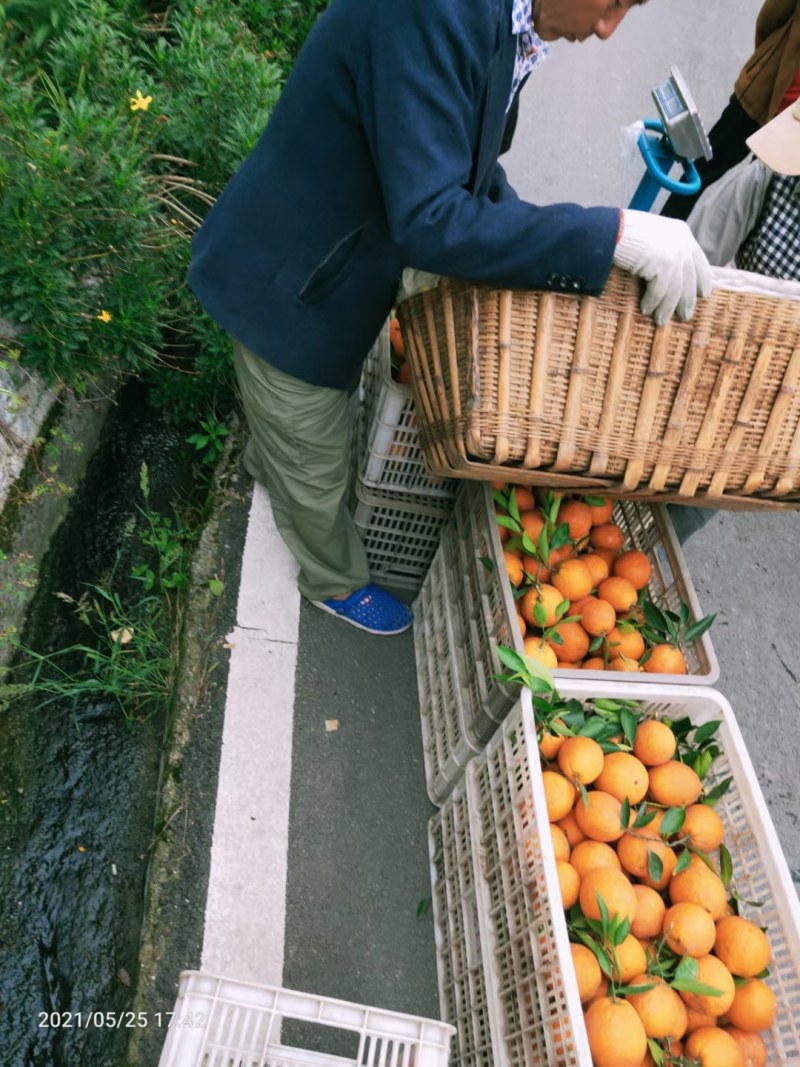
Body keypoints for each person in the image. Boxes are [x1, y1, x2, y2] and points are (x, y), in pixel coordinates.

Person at [188, 0, 712, 636]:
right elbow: (433, 218)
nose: (607, 29)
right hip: (289, 278)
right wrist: (609, 236)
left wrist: (548, 235)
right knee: (311, 447)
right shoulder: (430, 12)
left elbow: (465, 162)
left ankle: (272, 456)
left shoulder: (499, 21)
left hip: (339, 264)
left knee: (304, 426)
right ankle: (333, 579)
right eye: (612, 3)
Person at [662, 0, 800, 220]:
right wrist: (766, 60)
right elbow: (771, 17)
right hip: (766, 96)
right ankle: (662, 229)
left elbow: (769, 19)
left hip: (782, 113)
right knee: (749, 194)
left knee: (750, 195)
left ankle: (667, 234)